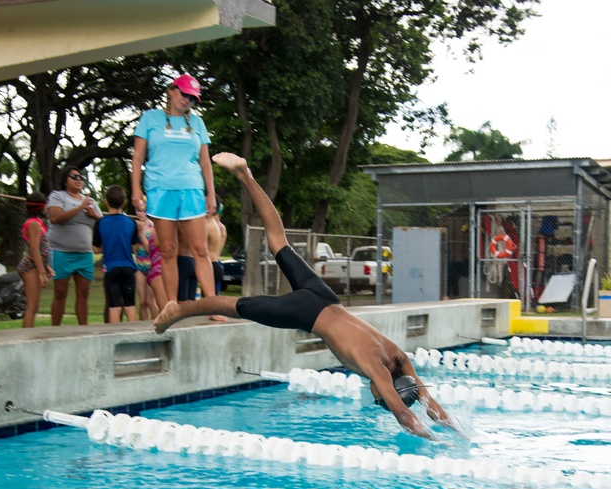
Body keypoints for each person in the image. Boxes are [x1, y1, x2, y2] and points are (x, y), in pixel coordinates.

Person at [154, 153, 456, 439]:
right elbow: (404, 414)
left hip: (324, 297)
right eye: (379, 397)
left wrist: (461, 432)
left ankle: (245, 175)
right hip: (306, 312)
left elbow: (428, 402)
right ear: (385, 387)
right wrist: (436, 443)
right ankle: (178, 311)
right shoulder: (378, 369)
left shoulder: (398, 357)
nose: (376, 396)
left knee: (279, 241)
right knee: (239, 306)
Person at [130, 73, 221, 312]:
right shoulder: (150, 118)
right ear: (171, 90)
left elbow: (205, 161)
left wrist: (210, 193)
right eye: (183, 94)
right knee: (167, 250)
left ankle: (211, 304)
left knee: (200, 249)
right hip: (160, 190)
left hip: (191, 189)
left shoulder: (197, 123)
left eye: (192, 98)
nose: (187, 100)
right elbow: (138, 156)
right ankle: (172, 305)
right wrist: (136, 189)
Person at [46, 165, 101, 325]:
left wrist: (94, 215)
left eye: (81, 177)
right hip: (61, 252)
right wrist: (80, 207)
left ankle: (82, 331)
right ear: (65, 180)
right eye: (74, 176)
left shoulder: (91, 201)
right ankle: (55, 331)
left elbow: (102, 224)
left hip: (84, 254)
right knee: (60, 293)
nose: (79, 179)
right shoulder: (58, 196)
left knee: (83, 293)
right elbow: (55, 218)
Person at [92, 186, 138, 323]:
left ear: (106, 202)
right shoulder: (131, 222)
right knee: (130, 305)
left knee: (114, 306)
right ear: (124, 202)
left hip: (111, 268)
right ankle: (134, 335)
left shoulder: (100, 222)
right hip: (129, 268)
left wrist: (107, 247)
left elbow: (95, 249)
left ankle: (114, 336)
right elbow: (134, 248)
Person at [17, 192, 53, 328]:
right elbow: (34, 249)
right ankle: (27, 338)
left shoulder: (38, 223)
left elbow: (42, 249)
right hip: (30, 267)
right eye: (46, 204)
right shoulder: (34, 224)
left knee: (34, 306)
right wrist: (41, 273)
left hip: (35, 266)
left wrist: (47, 267)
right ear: (40, 207)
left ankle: (29, 335)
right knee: (32, 307)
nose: (47, 208)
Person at [134, 209, 167, 318]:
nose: (140, 213)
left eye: (142, 211)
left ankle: (156, 322)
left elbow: (150, 249)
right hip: (140, 264)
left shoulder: (153, 226)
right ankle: (142, 327)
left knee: (150, 301)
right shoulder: (137, 225)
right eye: (137, 211)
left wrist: (141, 234)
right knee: (142, 301)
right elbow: (135, 247)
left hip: (151, 265)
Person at [208, 200, 227, 295]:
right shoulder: (220, 227)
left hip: (212, 263)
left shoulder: (213, 226)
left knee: (211, 299)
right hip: (216, 262)